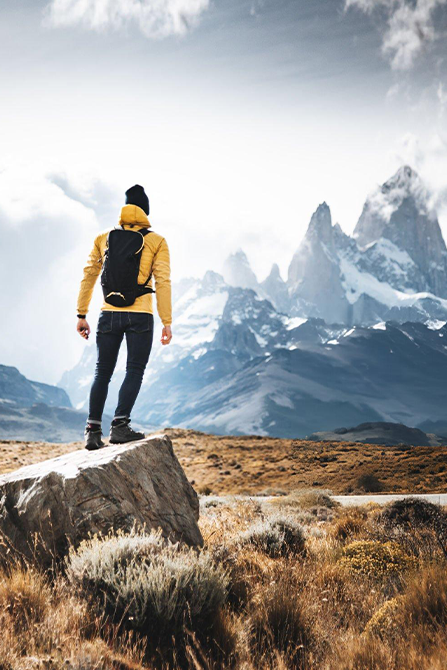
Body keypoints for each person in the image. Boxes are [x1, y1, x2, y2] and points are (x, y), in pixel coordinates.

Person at [76, 184, 172, 450]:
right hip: (140, 315)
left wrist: (82, 313)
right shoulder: (156, 241)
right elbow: (163, 281)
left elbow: (89, 275)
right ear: (146, 211)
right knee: (134, 370)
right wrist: (167, 321)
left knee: (102, 371)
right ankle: (120, 426)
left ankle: (92, 431)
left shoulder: (104, 238)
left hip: (108, 314)